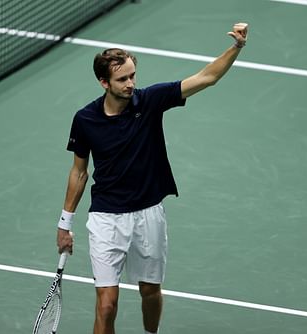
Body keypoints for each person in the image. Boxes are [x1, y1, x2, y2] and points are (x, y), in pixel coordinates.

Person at [56, 22, 248, 334]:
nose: (130, 83)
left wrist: (236, 48)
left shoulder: (149, 101)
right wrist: (65, 224)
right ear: (103, 82)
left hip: (148, 215)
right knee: (106, 305)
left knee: (149, 292)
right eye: (122, 79)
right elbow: (79, 171)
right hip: (106, 218)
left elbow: (207, 77)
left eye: (132, 75)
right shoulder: (85, 120)